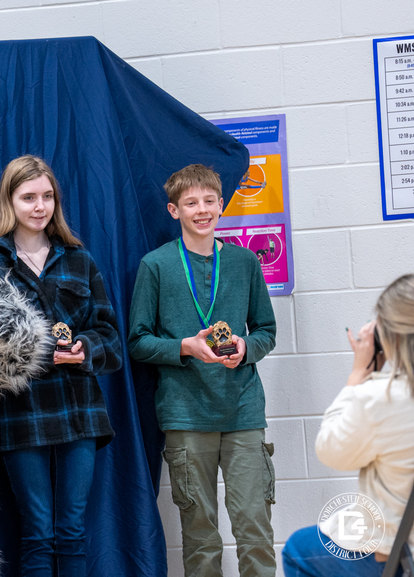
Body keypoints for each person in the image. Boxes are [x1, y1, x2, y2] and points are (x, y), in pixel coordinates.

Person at [127, 164, 277, 577]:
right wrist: (186, 348)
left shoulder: (245, 262)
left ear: (221, 205)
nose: (202, 209)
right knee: (201, 538)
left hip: (243, 411)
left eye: (210, 201)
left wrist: (246, 347)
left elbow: (267, 330)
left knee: (255, 530)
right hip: (186, 415)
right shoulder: (155, 266)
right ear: (175, 211)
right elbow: (137, 340)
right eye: (191, 203)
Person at [0, 155, 122, 576]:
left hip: (79, 409)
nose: (39, 207)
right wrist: (29, 353)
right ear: (9, 201)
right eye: (28, 198)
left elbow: (109, 335)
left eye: (47, 196)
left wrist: (85, 349)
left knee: (72, 531)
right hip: (20, 411)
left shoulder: (80, 260)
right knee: (38, 532)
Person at [282, 274, 414, 577]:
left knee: (297, 549)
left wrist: (357, 377)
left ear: (389, 337)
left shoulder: (380, 397)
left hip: (396, 555)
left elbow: (331, 452)